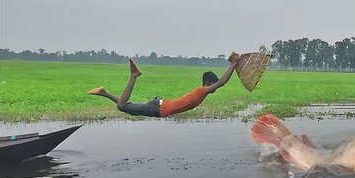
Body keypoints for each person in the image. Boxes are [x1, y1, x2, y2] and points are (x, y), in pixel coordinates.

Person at [87, 53, 240, 118]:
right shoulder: (202, 91)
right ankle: (134, 75)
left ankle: (104, 92)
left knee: (126, 106)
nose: (214, 88)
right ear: (208, 84)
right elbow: (222, 82)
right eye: (212, 85)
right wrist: (233, 63)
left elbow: (219, 83)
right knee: (122, 106)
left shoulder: (201, 92)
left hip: (158, 107)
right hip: (157, 108)